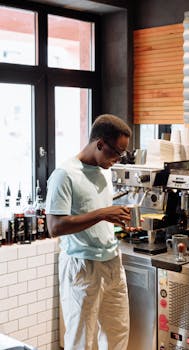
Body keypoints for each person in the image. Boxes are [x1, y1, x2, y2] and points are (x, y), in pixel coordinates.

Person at [45, 114, 132, 350]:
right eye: (117, 152)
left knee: (118, 337)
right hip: (82, 267)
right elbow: (54, 227)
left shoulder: (105, 169)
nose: (118, 159)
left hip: (113, 263)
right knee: (81, 342)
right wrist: (103, 213)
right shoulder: (64, 175)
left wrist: (117, 218)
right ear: (100, 144)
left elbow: (96, 214)